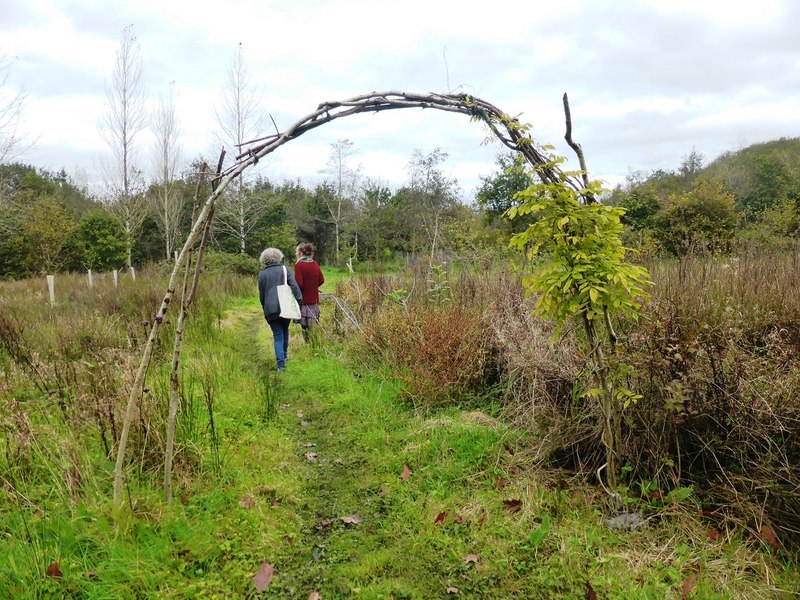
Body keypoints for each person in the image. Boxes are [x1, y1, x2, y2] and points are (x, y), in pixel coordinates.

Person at [258, 247, 302, 372]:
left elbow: (262, 295)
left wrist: (264, 307)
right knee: (285, 331)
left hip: (270, 309)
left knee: (277, 335)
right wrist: (299, 302)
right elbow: (294, 287)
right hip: (285, 306)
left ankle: (281, 365)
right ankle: (284, 358)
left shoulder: (262, 275)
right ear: (278, 258)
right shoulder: (285, 269)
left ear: (264, 260)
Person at [293, 242, 325, 342]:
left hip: (304, 300)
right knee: (313, 326)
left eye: (296, 252)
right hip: (314, 300)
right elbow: (321, 280)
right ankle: (314, 344)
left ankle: (308, 345)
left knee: (305, 327)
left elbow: (300, 284)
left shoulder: (299, 266)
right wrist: (313, 287)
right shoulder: (315, 263)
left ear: (301, 254)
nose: (295, 254)